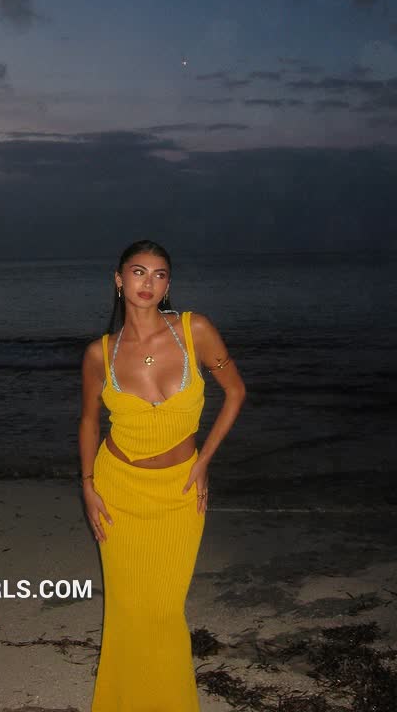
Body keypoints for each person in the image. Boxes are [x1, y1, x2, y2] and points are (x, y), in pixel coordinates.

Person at [79, 239, 246, 712]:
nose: (148, 283)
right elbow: (89, 420)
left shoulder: (196, 330)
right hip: (117, 488)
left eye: (159, 274)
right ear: (119, 280)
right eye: (138, 272)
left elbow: (235, 392)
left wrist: (204, 460)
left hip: (179, 491)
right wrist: (87, 486)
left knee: (165, 610)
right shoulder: (100, 353)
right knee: (127, 609)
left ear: (168, 284)